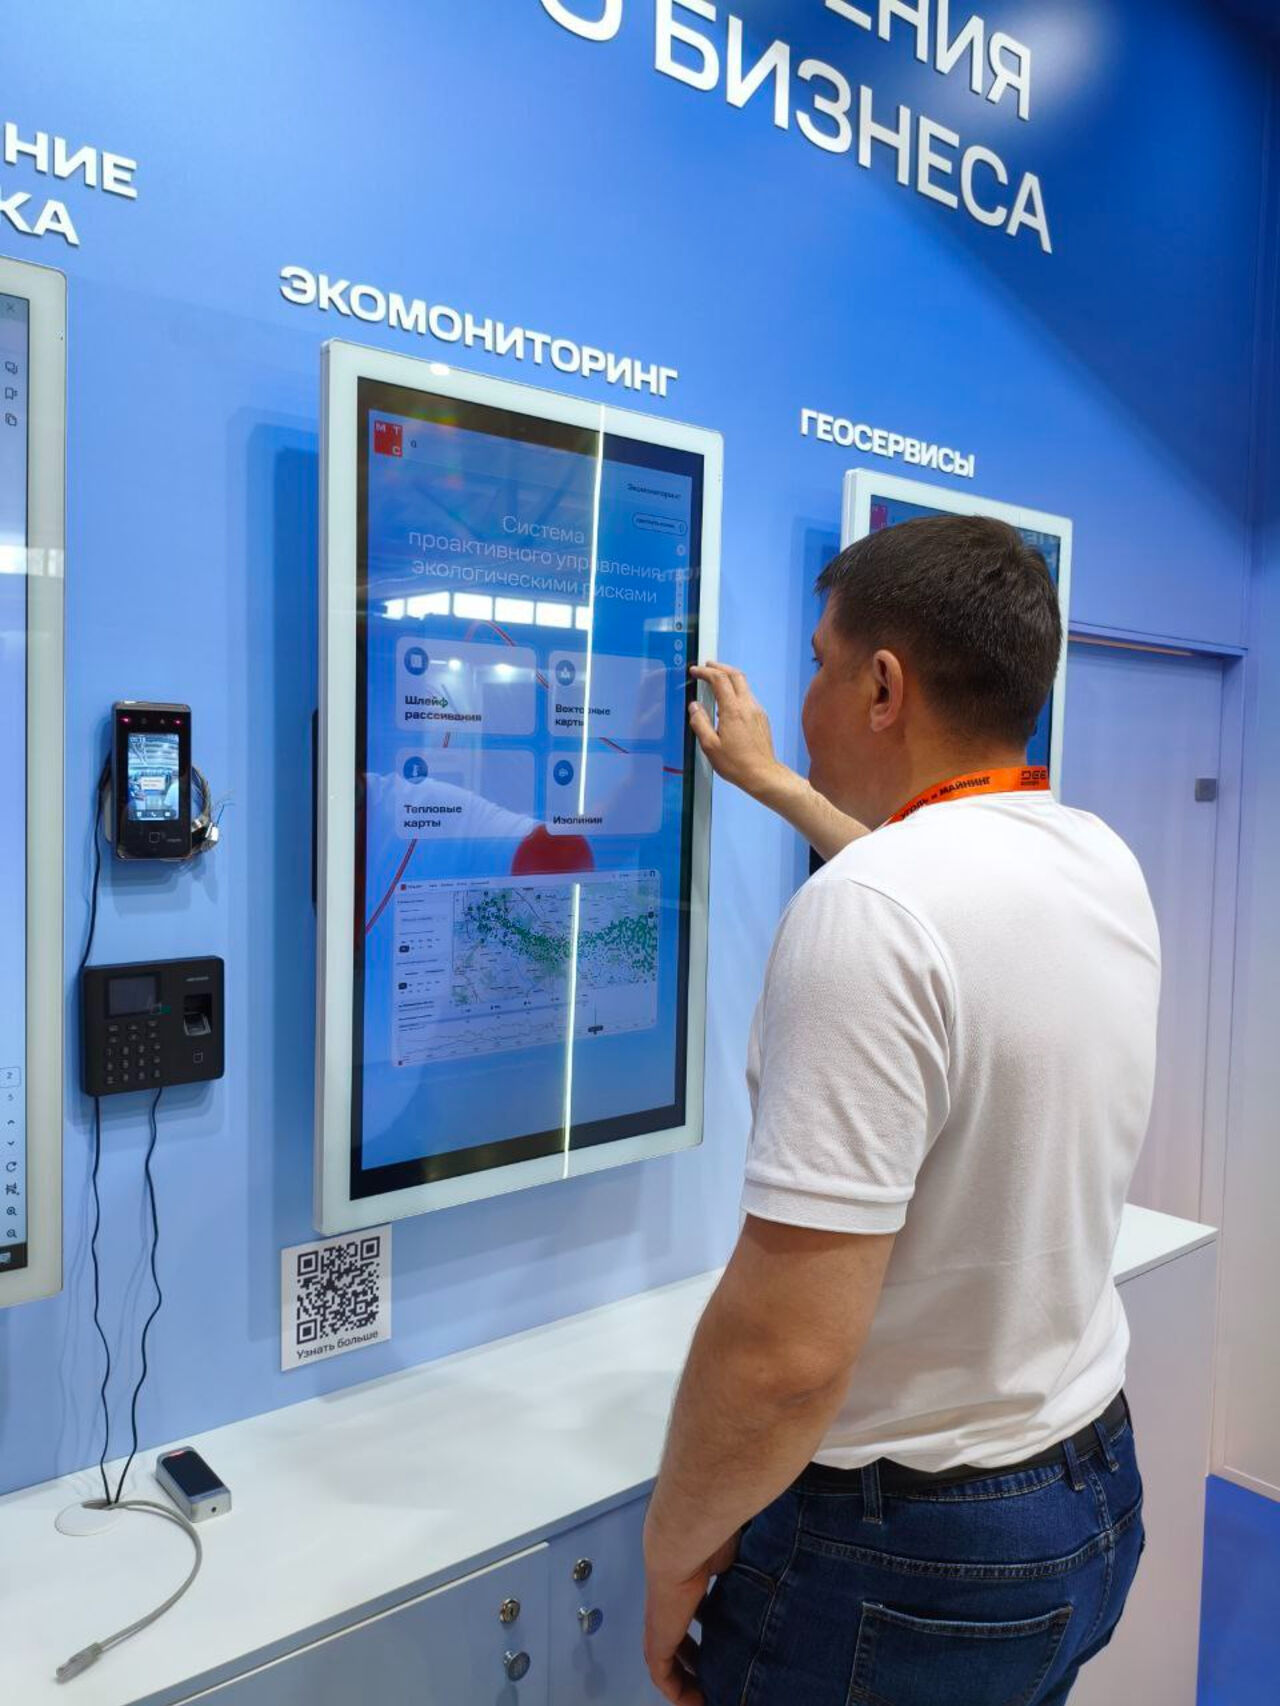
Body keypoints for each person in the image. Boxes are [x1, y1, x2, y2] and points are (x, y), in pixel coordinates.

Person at [642, 515, 1160, 1706]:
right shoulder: (1092, 855)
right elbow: (936, 910)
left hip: (907, 1558)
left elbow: (783, 1357)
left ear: (882, 686)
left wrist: (674, 1553)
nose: (803, 696)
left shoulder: (871, 911)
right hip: (1084, 1486)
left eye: (818, 663)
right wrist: (778, 788)